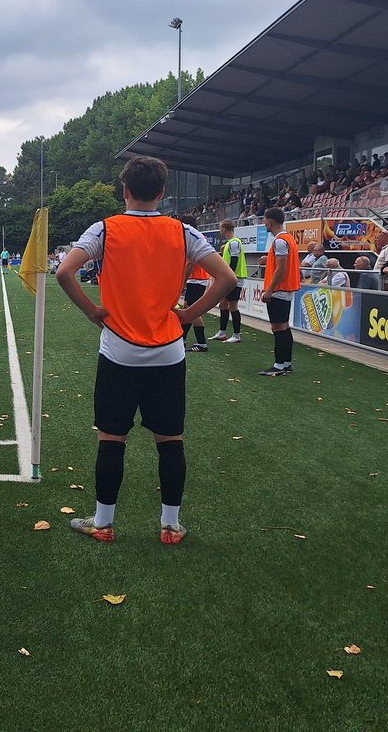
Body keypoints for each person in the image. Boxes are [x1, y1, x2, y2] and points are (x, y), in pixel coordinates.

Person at [56, 156, 236, 546]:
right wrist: (188, 313)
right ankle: (170, 526)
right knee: (170, 439)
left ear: (125, 190)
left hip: (119, 349)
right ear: (161, 193)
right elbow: (227, 278)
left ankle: (103, 523)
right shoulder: (184, 232)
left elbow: (64, 271)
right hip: (169, 352)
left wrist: (92, 312)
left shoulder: (106, 228)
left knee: (111, 437)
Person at [259, 208, 300, 376]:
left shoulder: (280, 241)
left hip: (279, 290)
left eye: (264, 221)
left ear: (270, 221)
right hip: (285, 289)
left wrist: (269, 290)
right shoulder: (287, 238)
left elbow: (281, 269)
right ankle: (286, 363)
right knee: (284, 326)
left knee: (278, 327)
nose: (263, 224)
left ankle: (279, 365)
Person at [177, 214, 210, 352]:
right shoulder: (198, 236)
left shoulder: (192, 237)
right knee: (187, 308)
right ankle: (183, 339)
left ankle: (201, 343)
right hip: (198, 278)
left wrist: (182, 282)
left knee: (193, 311)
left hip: (197, 279)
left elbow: (190, 262)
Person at [211, 220, 246, 343]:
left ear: (225, 228)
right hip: (230, 279)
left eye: (221, 228)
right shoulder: (231, 243)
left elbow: (234, 261)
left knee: (233, 306)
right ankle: (222, 332)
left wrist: (229, 276)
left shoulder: (234, 243)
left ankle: (236, 335)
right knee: (223, 304)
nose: (220, 230)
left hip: (234, 279)